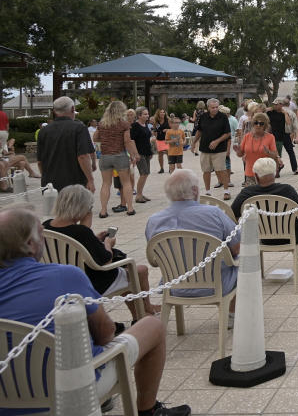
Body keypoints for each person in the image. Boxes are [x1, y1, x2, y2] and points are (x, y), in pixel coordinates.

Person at [0, 207, 192, 416]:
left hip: (6, 396)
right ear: (30, 244)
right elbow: (105, 334)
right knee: (152, 326)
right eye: (41, 236)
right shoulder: (65, 276)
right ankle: (149, 410)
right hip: (69, 391)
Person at [43, 184, 159, 316]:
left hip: (60, 282)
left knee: (124, 274)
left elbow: (76, 246)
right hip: (89, 283)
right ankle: (143, 312)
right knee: (138, 271)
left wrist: (94, 238)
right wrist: (108, 244)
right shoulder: (81, 232)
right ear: (81, 208)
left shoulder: (46, 226)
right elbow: (105, 261)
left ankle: (140, 313)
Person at [145, 170, 239, 314]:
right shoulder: (214, 213)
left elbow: (155, 259)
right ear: (195, 190)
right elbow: (236, 248)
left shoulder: (154, 221)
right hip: (217, 284)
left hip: (174, 286)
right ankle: (232, 313)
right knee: (243, 263)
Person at [231, 157, 298, 270]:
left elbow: (232, 215)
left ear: (256, 176)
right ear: (275, 172)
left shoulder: (247, 193)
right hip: (292, 237)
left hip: (261, 238)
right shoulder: (287, 190)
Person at [37, 95, 96, 194]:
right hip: (75, 183)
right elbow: (83, 156)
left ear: (54, 111)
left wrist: (46, 178)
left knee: (55, 209)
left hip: (51, 185)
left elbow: (39, 162)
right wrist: (90, 180)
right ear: (73, 109)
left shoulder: (43, 131)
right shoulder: (79, 128)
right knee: (80, 209)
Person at [93, 101, 138, 218]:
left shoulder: (102, 124)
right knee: (126, 182)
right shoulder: (124, 124)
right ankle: (130, 208)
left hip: (105, 156)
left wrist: (106, 139)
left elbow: (95, 138)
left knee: (106, 184)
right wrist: (133, 155)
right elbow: (127, 141)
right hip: (120, 155)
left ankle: (103, 211)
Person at [193, 98, 232, 201]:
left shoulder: (223, 117)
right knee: (206, 170)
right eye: (212, 107)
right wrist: (193, 143)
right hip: (205, 149)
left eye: (216, 107)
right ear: (208, 107)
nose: (215, 109)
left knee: (221, 170)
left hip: (219, 149)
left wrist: (217, 141)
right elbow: (199, 131)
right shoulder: (203, 116)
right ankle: (207, 192)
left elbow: (227, 133)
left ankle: (226, 191)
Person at [234, 112, 279, 186]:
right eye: (256, 122)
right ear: (253, 123)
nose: (258, 125)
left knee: (264, 196)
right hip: (250, 173)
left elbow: (275, 155)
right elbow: (240, 154)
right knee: (252, 196)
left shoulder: (270, 137)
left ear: (265, 125)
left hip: (265, 174)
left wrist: (268, 152)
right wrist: (238, 151)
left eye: (261, 123)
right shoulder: (247, 136)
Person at [268, 98, 298, 175]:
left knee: (290, 152)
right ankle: (277, 170)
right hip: (275, 136)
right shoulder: (270, 112)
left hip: (285, 135)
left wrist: (285, 113)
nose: (274, 105)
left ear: (281, 105)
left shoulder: (285, 112)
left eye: (276, 104)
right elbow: (262, 111)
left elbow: (288, 123)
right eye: (274, 104)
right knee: (277, 154)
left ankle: (295, 169)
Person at [131, 107, 154, 205]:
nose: (147, 116)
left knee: (146, 173)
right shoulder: (135, 126)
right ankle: (138, 195)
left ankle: (140, 193)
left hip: (147, 152)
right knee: (143, 173)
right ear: (139, 115)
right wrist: (135, 154)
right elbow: (132, 141)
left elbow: (147, 139)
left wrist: (151, 152)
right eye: (145, 114)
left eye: (147, 114)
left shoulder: (145, 125)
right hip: (139, 153)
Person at [153, 108, 170, 174]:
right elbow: (154, 130)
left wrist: (167, 130)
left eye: (163, 112)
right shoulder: (156, 121)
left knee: (169, 154)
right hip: (159, 139)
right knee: (160, 154)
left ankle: (170, 167)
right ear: (158, 114)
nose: (162, 113)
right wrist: (154, 134)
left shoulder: (168, 120)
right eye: (161, 112)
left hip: (167, 139)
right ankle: (161, 168)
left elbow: (173, 129)